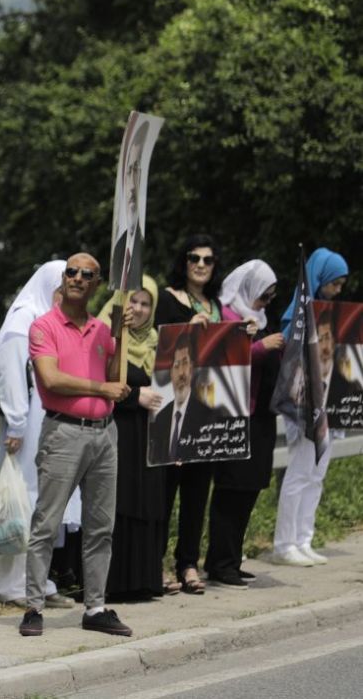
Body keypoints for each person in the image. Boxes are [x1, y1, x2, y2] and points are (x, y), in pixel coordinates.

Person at [19, 253, 132, 638]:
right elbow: (50, 379)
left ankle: (96, 606)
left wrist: (124, 335)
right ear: (62, 278)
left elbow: (119, 377)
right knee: (47, 523)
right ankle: (33, 606)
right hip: (64, 431)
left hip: (104, 431)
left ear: (96, 284)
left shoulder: (102, 330)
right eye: (72, 272)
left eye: (87, 274)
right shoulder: (43, 326)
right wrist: (102, 388)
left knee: (101, 525)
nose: (77, 278)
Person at [0, 261, 78, 609]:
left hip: (52, 420)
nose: (64, 296)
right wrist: (15, 423)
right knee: (22, 500)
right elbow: (10, 373)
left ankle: (37, 579)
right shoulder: (22, 320)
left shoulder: (52, 318)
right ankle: (12, 583)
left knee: (46, 499)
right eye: (60, 289)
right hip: (27, 424)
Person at [205, 260, 283, 588]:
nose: (265, 304)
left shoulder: (260, 320)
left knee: (250, 488)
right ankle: (220, 562)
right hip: (235, 416)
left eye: (269, 299)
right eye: (262, 296)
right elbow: (225, 361)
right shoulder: (226, 316)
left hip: (261, 414)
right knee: (231, 489)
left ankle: (232, 560)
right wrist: (262, 347)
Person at [271, 247, 349, 567]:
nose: (338, 290)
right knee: (301, 470)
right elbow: (292, 347)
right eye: (335, 283)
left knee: (316, 474)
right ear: (320, 279)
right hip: (304, 402)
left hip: (328, 401)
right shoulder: (297, 314)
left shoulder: (332, 313)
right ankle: (284, 543)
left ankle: (304, 537)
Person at [154, 234, 223, 594]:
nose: (200, 264)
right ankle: (156, 564)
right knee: (166, 493)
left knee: (198, 493)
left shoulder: (217, 305)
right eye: (193, 258)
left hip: (207, 412)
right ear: (183, 262)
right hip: (172, 408)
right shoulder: (167, 300)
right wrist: (187, 331)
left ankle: (188, 564)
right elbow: (157, 346)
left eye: (207, 259)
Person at [99, 278, 167, 602]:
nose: (138, 309)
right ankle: (115, 582)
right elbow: (96, 380)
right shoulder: (106, 333)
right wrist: (134, 397)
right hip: (119, 429)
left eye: (145, 304)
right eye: (133, 302)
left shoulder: (157, 340)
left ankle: (144, 579)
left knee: (148, 499)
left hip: (151, 434)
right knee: (121, 499)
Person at [147, 329, 213, 465]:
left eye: (185, 363)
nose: (181, 373)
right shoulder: (160, 418)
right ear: (170, 373)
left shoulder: (207, 416)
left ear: (192, 368)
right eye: (176, 366)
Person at [109, 121, 148, 291]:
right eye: (129, 170)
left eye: (137, 170)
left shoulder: (140, 237)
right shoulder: (120, 242)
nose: (132, 183)